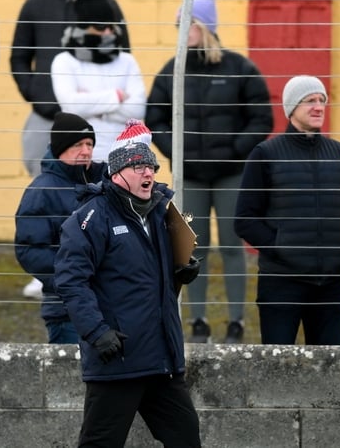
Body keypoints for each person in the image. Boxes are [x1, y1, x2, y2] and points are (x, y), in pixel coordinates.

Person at [54, 128, 201, 446]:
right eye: (139, 166)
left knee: (187, 438)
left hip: (161, 360)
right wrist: (97, 332)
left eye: (151, 167)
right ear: (117, 173)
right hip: (118, 359)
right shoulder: (91, 218)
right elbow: (71, 281)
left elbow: (151, 276)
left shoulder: (161, 214)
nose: (148, 172)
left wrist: (182, 269)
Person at [146, 0, 273, 344]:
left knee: (233, 247)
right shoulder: (172, 71)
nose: (183, 32)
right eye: (179, 26)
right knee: (190, 249)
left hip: (231, 174)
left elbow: (261, 116)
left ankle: (237, 322)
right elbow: (154, 117)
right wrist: (175, 150)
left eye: (190, 24)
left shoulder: (239, 68)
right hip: (191, 177)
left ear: (207, 27)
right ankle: (197, 322)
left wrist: (236, 148)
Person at [10, 0, 131, 300]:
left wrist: (100, 103)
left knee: (94, 188)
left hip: (96, 120)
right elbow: (19, 57)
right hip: (45, 112)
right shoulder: (35, 5)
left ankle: (91, 264)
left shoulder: (106, 6)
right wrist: (36, 92)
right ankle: (48, 270)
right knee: (46, 185)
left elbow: (122, 53)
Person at [234, 75, 340, 346]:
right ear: (292, 108)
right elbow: (245, 219)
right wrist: (281, 248)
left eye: (322, 100)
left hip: (330, 283)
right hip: (281, 283)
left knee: (329, 369)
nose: (319, 107)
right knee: (277, 369)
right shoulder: (265, 153)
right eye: (310, 101)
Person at [15, 112, 108, 344]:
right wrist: (71, 279)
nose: (86, 151)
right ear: (59, 148)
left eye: (89, 144)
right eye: (77, 144)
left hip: (107, 304)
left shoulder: (104, 182)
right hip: (66, 311)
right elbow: (29, 250)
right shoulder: (42, 191)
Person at [51, 0, 146, 163]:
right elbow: (71, 106)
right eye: (101, 27)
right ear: (84, 26)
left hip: (125, 156)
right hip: (84, 159)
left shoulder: (127, 61)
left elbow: (137, 110)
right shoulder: (64, 61)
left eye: (111, 26)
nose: (108, 32)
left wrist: (92, 108)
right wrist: (116, 96)